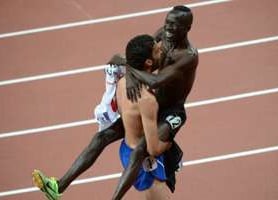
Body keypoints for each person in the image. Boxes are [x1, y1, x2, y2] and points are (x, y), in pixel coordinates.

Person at [32, 5, 198, 200]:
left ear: (187, 28)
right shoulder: (164, 35)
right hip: (152, 105)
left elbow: (155, 80)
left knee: (140, 151)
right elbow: (144, 57)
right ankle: (58, 187)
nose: (167, 30)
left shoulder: (188, 55)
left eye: (173, 26)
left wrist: (129, 67)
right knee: (101, 138)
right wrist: (130, 69)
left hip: (171, 112)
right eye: (166, 23)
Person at [117, 34, 171, 199]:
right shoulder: (147, 99)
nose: (161, 51)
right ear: (148, 62)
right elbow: (153, 149)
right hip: (144, 160)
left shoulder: (123, 82)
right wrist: (169, 142)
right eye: (157, 51)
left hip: (128, 148)